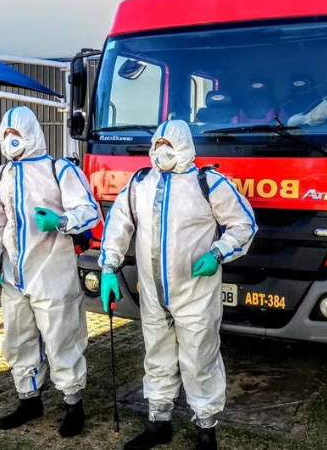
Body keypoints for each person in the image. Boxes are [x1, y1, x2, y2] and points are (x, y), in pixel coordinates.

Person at [99, 120, 257, 450]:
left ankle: (206, 429)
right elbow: (119, 224)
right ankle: (159, 423)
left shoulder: (208, 183)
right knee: (157, 356)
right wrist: (110, 267)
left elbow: (243, 225)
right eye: (157, 145)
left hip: (195, 291)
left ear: (184, 147)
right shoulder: (140, 183)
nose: (161, 152)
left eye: (168, 145)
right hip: (152, 293)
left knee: (199, 358)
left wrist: (218, 253)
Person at [0, 106, 100, 438]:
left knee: (62, 338)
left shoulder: (59, 170)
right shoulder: (1, 176)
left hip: (53, 273)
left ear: (31, 133)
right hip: (14, 276)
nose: (10, 140)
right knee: (19, 340)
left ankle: (73, 403)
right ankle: (29, 400)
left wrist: (61, 221)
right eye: (5, 135)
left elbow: (89, 211)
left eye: (15, 134)